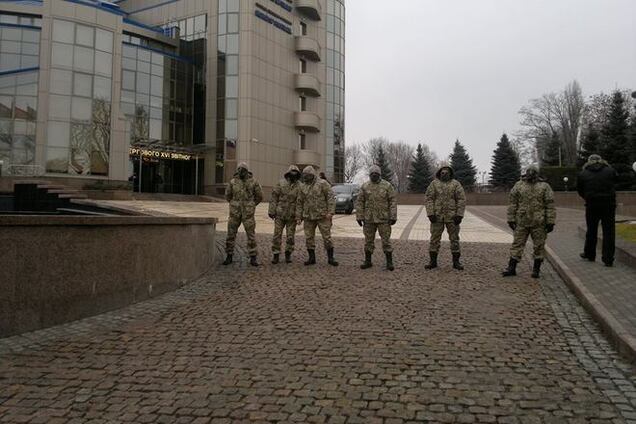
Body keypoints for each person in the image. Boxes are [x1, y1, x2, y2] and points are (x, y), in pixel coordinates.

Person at [502, 166, 556, 278]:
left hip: (539, 222)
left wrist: (551, 221)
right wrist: (511, 219)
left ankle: (536, 269)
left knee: (539, 246)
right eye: (529, 173)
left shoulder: (544, 186)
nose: (530, 175)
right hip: (522, 221)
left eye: (533, 173)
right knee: (517, 244)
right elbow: (513, 203)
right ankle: (511, 267)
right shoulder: (519, 185)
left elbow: (550, 205)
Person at [577, 154, 618, 266]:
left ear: (589, 161)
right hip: (608, 205)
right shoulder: (610, 170)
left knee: (591, 230)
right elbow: (615, 183)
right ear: (601, 160)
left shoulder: (583, 173)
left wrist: (587, 197)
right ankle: (608, 259)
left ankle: (590, 254)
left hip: (592, 205)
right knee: (609, 231)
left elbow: (580, 190)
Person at [424, 165, 466, 270]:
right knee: (434, 239)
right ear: (439, 173)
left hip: (452, 217)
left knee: (455, 239)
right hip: (437, 216)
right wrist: (430, 213)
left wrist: (459, 215)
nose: (444, 174)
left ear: (450, 174)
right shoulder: (434, 184)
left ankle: (456, 262)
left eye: (446, 173)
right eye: (442, 173)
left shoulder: (456, 184)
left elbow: (461, 199)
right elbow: (429, 198)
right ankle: (433, 261)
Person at [356, 165, 398, 271]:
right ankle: (368, 261)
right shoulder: (365, 186)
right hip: (369, 219)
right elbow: (360, 202)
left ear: (380, 174)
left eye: (376, 173)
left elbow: (392, 201)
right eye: (372, 173)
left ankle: (389, 262)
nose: (374, 175)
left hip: (384, 219)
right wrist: (359, 216)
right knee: (368, 241)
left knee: (386, 241)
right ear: (370, 175)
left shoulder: (387, 186)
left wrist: (393, 216)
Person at [296, 166, 338, 266]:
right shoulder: (303, 186)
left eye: (308, 175)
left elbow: (330, 197)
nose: (306, 177)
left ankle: (331, 258)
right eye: (304, 176)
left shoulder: (322, 183)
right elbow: (299, 202)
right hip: (308, 216)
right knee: (309, 237)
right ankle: (311, 258)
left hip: (322, 216)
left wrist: (330, 212)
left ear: (312, 175)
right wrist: (298, 216)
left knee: (327, 237)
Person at [223, 162, 263, 267]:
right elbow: (228, 195)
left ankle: (253, 257)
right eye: (239, 169)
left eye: (243, 170)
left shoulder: (253, 182)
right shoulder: (232, 182)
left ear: (247, 171)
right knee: (230, 234)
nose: (241, 171)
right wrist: (234, 204)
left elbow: (259, 196)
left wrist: (252, 204)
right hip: (234, 213)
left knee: (251, 235)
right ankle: (229, 255)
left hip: (248, 214)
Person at [269, 165, 302, 264]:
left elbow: (300, 202)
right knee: (277, 235)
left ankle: (288, 253)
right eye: (292, 172)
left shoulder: (300, 186)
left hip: (292, 215)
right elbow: (274, 197)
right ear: (288, 173)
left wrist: (299, 216)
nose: (293, 174)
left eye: (295, 173)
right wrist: (271, 211)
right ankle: (276, 254)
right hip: (280, 214)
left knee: (290, 236)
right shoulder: (281, 183)